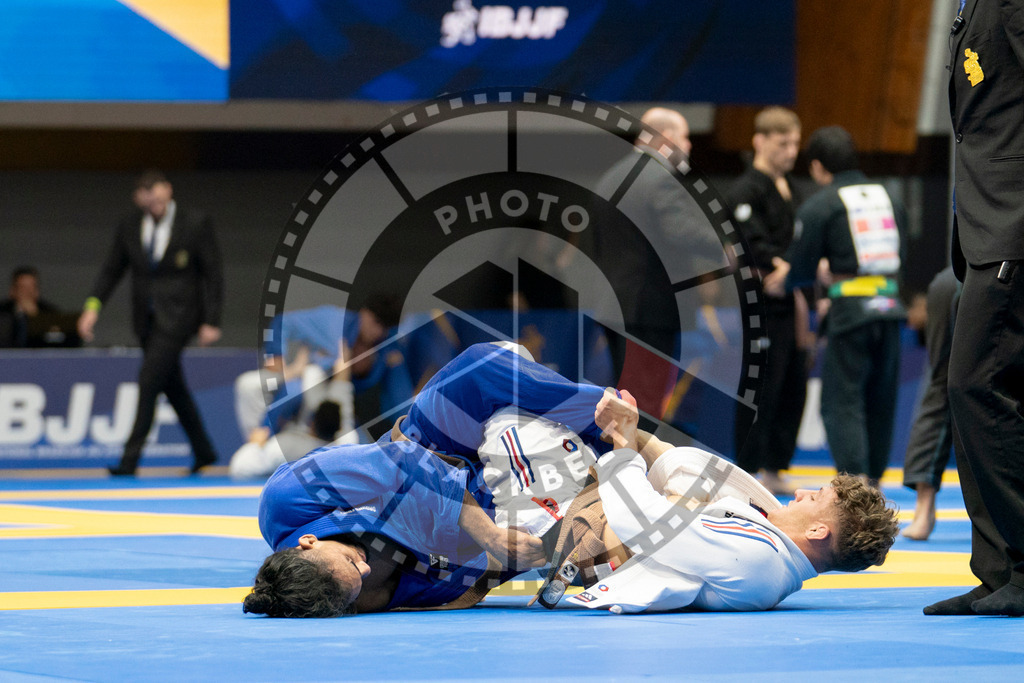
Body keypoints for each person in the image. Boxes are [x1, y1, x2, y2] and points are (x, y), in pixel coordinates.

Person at [244, 343, 898, 616]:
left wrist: (483, 534)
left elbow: (404, 463)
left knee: (490, 365)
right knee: (511, 388)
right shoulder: (363, 595)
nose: (361, 566)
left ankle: (602, 409)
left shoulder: (288, 502)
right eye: (356, 585)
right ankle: (607, 415)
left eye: (348, 560)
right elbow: (477, 577)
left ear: (308, 542)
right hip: (513, 516)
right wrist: (495, 563)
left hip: (441, 456)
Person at [552, 389, 898, 613]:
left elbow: (639, 521)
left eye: (814, 497)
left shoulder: (758, 558)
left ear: (818, 531)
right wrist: (624, 427)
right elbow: (682, 466)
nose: (799, 493)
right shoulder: (770, 546)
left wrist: (625, 441)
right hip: (600, 521)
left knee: (527, 400)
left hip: (585, 538)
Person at [925, 0, 1024, 617]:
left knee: (975, 385)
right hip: (985, 228)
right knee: (977, 396)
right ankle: (998, 571)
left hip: (1012, 224)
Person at [765, 126, 906, 488]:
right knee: (880, 399)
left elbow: (801, 267)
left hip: (851, 313)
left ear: (817, 166)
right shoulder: (891, 197)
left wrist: (784, 281)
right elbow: (899, 253)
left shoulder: (822, 204)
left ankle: (855, 486)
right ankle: (873, 482)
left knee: (842, 401)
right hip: (890, 307)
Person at [77, 169, 223, 476]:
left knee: (148, 380)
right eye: (147, 200)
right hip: (145, 320)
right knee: (173, 386)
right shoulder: (130, 225)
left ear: (168, 190)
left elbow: (213, 273)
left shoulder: (195, 223)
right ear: (138, 199)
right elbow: (111, 269)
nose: (153, 205)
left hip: (180, 317)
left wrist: (212, 321)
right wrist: (92, 307)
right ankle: (204, 450)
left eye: (157, 197)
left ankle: (129, 460)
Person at [589, 107, 721, 413]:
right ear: (667, 137)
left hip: (615, 306)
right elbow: (680, 231)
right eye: (685, 137)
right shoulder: (660, 177)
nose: (688, 146)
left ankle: (624, 446)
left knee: (626, 402)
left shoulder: (610, 177)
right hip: (648, 310)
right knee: (645, 405)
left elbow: (595, 242)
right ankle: (637, 448)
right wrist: (725, 247)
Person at [726, 106, 808, 495]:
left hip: (791, 298)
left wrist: (795, 270)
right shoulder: (746, 190)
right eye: (782, 143)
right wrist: (782, 266)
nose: (790, 151)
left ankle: (776, 465)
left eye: (795, 143)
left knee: (793, 384)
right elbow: (751, 242)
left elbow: (801, 245)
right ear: (760, 141)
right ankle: (748, 468)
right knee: (761, 386)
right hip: (760, 302)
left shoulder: (791, 188)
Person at [234, 296, 411, 444]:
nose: (377, 332)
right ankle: (259, 440)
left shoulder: (389, 347)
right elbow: (281, 323)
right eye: (375, 323)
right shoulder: (333, 321)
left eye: (384, 328)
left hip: (340, 409)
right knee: (252, 386)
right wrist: (275, 360)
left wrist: (408, 429)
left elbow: (399, 396)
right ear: (364, 313)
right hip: (306, 390)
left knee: (354, 442)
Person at [228, 340, 359, 479]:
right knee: (311, 375)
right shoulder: (348, 443)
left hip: (286, 449)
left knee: (303, 379)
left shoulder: (285, 448)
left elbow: (239, 467)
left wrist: (255, 444)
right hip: (323, 447)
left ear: (311, 425)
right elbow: (342, 393)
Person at [901, 266, 959, 540]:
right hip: (992, 271)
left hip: (957, 275)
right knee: (941, 385)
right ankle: (923, 508)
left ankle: (924, 510)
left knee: (940, 386)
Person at [0, 266, 59, 348]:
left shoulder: (50, 314)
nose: (27, 293)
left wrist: (35, 318)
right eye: (22, 288)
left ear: (37, 291)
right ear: (13, 291)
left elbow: (56, 344)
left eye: (31, 288)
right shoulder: (2, 311)